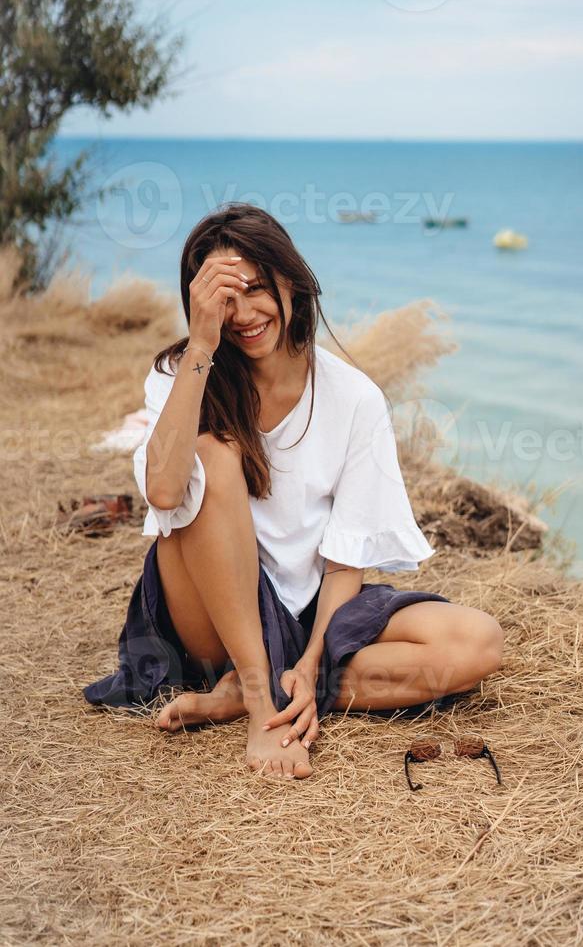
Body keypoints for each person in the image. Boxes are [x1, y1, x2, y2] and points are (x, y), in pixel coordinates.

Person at [83, 203, 503, 781]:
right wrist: (201, 346)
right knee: (212, 457)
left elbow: (342, 564)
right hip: (206, 610)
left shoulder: (354, 398)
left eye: (255, 289)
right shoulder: (181, 374)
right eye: (222, 299)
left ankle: (261, 688)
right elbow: (161, 492)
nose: (243, 314)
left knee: (476, 643)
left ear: (291, 281)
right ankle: (259, 703)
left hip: (306, 612)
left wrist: (308, 663)